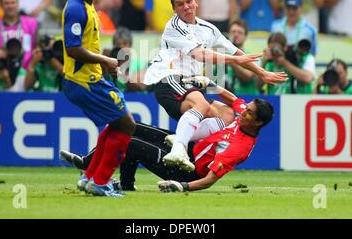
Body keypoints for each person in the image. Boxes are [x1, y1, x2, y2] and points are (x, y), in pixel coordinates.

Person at [143, 0, 287, 171]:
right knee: (201, 104)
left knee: (228, 114)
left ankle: (181, 138)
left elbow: (235, 51)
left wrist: (262, 72)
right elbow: (202, 55)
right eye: (180, 4)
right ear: (174, 9)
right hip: (168, 79)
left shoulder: (208, 29)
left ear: (196, 1)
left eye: (188, 1)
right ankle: (179, 148)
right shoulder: (174, 27)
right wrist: (236, 59)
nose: (186, 7)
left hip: (189, 83)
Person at [61, 77, 275, 192]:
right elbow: (232, 98)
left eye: (249, 112)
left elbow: (210, 179)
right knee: (131, 126)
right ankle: (91, 165)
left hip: (188, 171)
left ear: (258, 122)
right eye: (246, 108)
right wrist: (208, 83)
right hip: (186, 150)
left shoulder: (240, 147)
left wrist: (181, 186)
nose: (243, 110)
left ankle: (101, 179)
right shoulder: (242, 114)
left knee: (132, 144)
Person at [61, 0, 136, 197]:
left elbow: (86, 46)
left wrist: (104, 65)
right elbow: (73, 49)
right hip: (82, 81)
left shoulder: (87, 6)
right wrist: (104, 61)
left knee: (117, 123)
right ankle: (100, 181)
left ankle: (90, 176)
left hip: (88, 78)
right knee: (126, 125)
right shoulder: (76, 8)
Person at [0, 0, 38, 69]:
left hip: (27, 73)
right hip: (2, 73)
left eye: (13, 2)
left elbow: (38, 47)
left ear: (18, 4)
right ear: (1, 5)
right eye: (6, 3)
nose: (10, 6)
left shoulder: (32, 23)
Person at [217, 19, 260, 95]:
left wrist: (229, 58)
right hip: (225, 99)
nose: (236, 35)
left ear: (245, 36)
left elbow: (247, 77)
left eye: (240, 33)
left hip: (246, 99)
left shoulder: (252, 56)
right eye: (233, 32)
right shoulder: (220, 54)